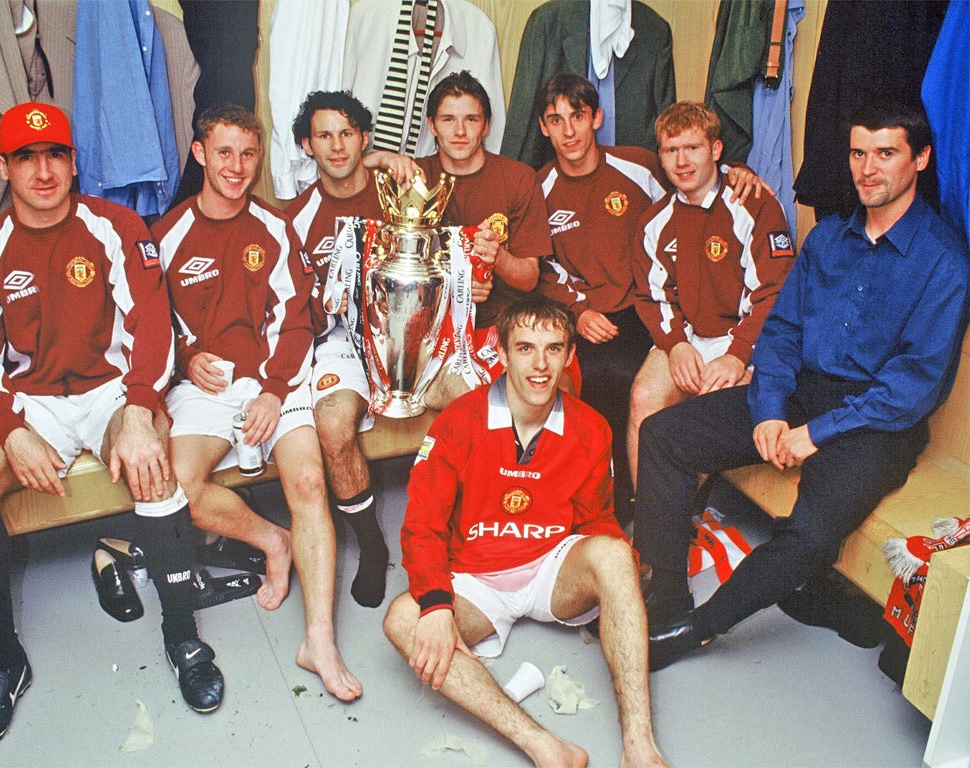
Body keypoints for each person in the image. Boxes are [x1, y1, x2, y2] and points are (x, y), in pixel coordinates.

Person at [635, 101, 969, 671]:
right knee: (664, 434)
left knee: (810, 534)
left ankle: (696, 631)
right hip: (798, 391)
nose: (868, 169)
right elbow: (784, 332)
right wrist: (768, 410)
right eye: (858, 153)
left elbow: (914, 386)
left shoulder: (944, 261)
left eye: (886, 154)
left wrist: (814, 433)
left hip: (877, 421)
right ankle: (666, 601)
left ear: (920, 159)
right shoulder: (827, 239)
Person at [0, 102, 224, 750]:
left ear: (74, 162)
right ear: (3, 165)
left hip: (109, 392)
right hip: (31, 400)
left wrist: (136, 409)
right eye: (26, 157)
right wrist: (12, 429)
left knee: (153, 461)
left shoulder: (117, 227)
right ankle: (1, 662)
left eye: (56, 156)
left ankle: (182, 635)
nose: (43, 171)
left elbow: (153, 326)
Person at [383, 294, 667, 768]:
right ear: (502, 350)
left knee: (615, 554)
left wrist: (621, 577)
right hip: (475, 582)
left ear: (570, 356)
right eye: (526, 348)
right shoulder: (459, 422)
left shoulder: (592, 429)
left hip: (550, 567)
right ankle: (545, 747)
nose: (540, 365)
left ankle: (639, 747)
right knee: (401, 620)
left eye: (553, 349)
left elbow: (597, 519)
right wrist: (435, 604)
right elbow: (422, 527)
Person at [152, 103, 360, 701]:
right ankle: (272, 540)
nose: (238, 167)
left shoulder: (273, 228)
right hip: (206, 388)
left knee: (308, 484)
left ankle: (318, 639)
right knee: (176, 491)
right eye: (224, 153)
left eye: (248, 154)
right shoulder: (166, 235)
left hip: (277, 378)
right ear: (199, 154)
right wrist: (185, 358)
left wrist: (272, 391)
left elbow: (297, 324)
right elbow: (152, 326)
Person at [533, 73, 767, 522]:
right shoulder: (540, 188)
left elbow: (696, 180)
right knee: (586, 381)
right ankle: (604, 506)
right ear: (543, 128)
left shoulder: (640, 164)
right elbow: (541, 265)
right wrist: (578, 311)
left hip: (649, 306)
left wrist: (739, 172)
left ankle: (642, 510)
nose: (568, 131)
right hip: (589, 313)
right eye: (555, 120)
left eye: (578, 117)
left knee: (630, 383)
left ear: (596, 118)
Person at [283, 90, 419, 610]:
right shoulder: (296, 219)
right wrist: (327, 301)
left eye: (347, 134)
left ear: (365, 139)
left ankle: (465, 526)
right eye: (324, 136)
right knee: (333, 425)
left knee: (470, 398)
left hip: (411, 325)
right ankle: (370, 542)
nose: (337, 147)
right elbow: (300, 311)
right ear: (306, 145)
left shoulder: (401, 187)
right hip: (342, 337)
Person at [628, 101, 795, 486]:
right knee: (643, 398)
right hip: (688, 336)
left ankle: (687, 516)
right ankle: (651, 525)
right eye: (671, 151)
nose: (682, 162)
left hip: (747, 339)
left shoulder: (754, 205)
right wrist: (675, 345)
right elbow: (654, 297)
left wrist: (738, 355)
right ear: (661, 157)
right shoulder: (654, 221)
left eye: (693, 148)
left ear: (716, 151)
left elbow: (775, 293)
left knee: (706, 410)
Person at [417, 71, 555, 407]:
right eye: (449, 119)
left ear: (487, 125)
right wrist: (455, 284)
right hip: (434, 335)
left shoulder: (518, 178)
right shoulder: (414, 179)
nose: (460, 131)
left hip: (502, 326)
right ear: (432, 126)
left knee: (554, 388)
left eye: (471, 119)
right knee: (481, 405)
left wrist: (499, 258)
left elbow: (529, 278)